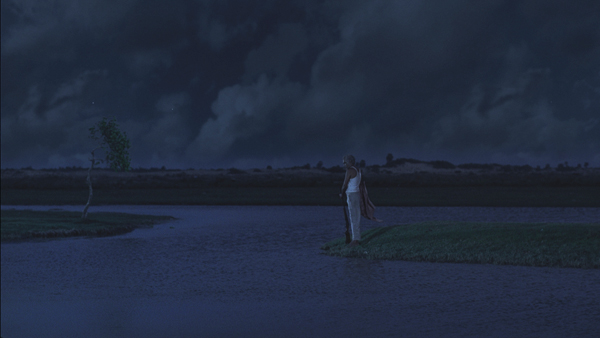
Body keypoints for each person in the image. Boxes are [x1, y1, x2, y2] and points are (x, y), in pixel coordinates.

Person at [339, 155, 361, 247]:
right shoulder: (357, 169)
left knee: (353, 217)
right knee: (356, 216)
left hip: (352, 195)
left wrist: (341, 193)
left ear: (349, 162)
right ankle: (356, 238)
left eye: (345, 162)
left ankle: (355, 240)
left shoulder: (350, 170)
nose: (344, 164)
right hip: (356, 194)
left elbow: (345, 184)